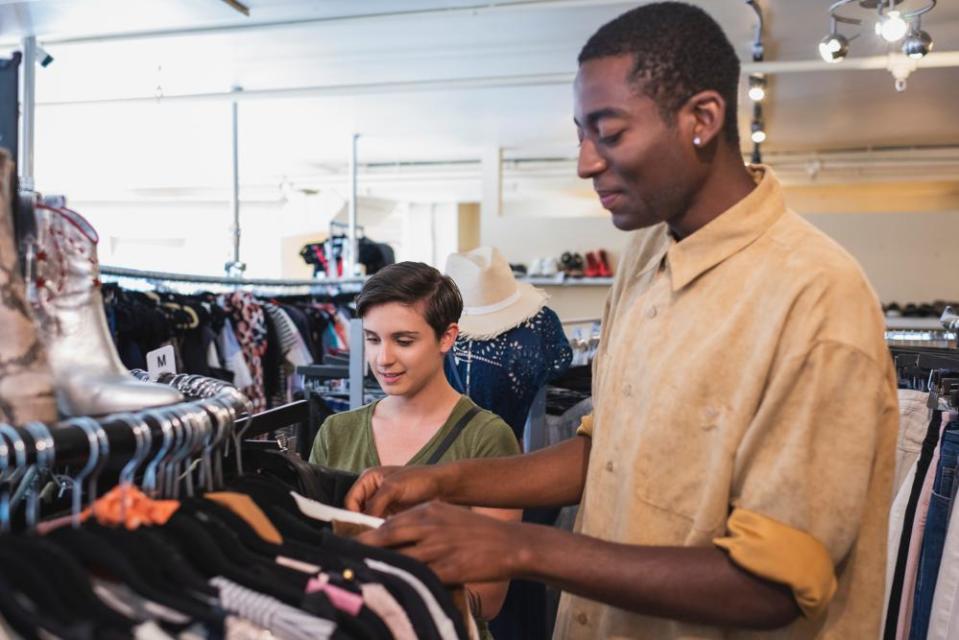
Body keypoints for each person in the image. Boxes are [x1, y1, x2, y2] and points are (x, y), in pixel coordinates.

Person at [343, 3, 898, 639]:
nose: (584, 162)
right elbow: (603, 450)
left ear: (702, 119)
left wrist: (519, 549)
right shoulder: (646, 257)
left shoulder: (816, 300)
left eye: (608, 132)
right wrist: (441, 479)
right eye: (582, 133)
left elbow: (772, 586)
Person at [308, 261, 521, 633]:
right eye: (373, 339)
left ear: (447, 337)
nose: (383, 358)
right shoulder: (335, 432)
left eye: (403, 341)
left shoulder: (486, 437)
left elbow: (487, 599)